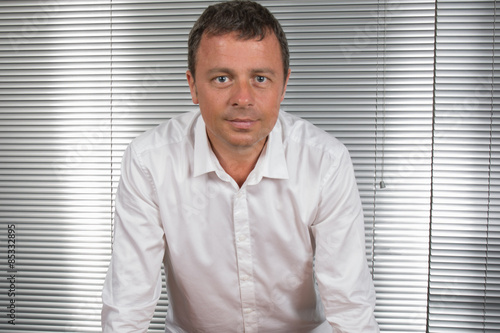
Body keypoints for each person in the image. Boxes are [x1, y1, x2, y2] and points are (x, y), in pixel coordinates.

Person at [101, 1, 379, 332]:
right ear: (193, 86)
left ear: (284, 85)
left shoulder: (326, 162)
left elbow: (349, 305)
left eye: (260, 78)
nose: (243, 98)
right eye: (222, 78)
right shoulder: (149, 162)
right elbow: (128, 306)